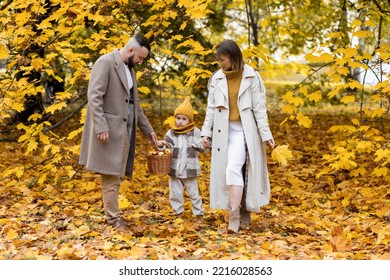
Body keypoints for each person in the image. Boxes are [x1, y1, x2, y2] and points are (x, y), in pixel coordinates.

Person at [79, 34, 158, 231]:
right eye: (140, 58)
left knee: (117, 176)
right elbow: (94, 96)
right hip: (108, 131)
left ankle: (112, 215)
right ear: (131, 50)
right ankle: (113, 220)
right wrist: (101, 126)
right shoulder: (105, 62)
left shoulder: (130, 70)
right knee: (111, 176)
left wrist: (147, 130)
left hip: (125, 131)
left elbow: (135, 105)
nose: (140, 62)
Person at [201, 39, 275, 233]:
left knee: (235, 168)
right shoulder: (216, 78)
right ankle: (241, 214)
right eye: (218, 60)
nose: (220, 63)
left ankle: (233, 218)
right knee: (228, 171)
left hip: (244, 131)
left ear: (233, 57)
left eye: (223, 59)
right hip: (222, 132)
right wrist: (205, 133)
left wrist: (265, 133)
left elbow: (259, 108)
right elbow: (210, 108)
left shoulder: (252, 76)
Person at [161, 96, 207, 219]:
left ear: (190, 120)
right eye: (178, 118)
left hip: (189, 169)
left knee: (194, 193)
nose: (180, 121)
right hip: (174, 169)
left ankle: (198, 213)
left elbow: (202, 148)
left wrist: (203, 144)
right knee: (175, 193)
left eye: (184, 119)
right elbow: (167, 145)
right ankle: (178, 212)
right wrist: (162, 146)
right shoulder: (171, 132)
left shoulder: (195, 132)